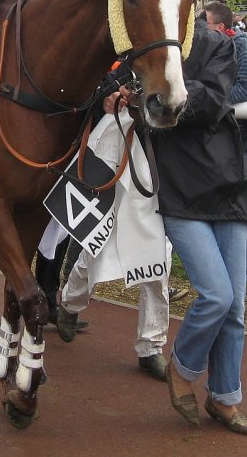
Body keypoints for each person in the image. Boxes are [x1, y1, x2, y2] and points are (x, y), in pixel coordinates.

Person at [153, 15, 247, 435]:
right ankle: (182, 368)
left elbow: (215, 97)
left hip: (227, 185)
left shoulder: (218, 43)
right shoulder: (144, 47)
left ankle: (224, 397)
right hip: (179, 189)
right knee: (216, 295)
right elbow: (126, 93)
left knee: (234, 306)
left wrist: (163, 98)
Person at [55, 102, 171, 381]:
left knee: (158, 256)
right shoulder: (122, 63)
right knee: (98, 247)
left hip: (159, 166)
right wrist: (114, 95)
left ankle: (151, 346)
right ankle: (70, 303)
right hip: (116, 157)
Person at [204, 1, 247, 280]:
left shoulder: (241, 46)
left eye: (207, 25)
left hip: (246, 141)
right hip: (223, 141)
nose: (203, 31)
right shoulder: (215, 48)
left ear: (222, 28)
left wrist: (211, 101)